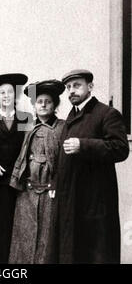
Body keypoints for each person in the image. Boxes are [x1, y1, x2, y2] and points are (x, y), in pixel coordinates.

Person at [56, 69, 129, 264]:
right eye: (69, 87)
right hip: (72, 201)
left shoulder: (107, 113)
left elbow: (121, 149)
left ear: (90, 87)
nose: (72, 91)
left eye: (77, 85)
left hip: (97, 203)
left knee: (98, 255)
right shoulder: (69, 120)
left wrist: (84, 145)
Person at [9, 80, 65, 264]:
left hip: (51, 194)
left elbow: (64, 162)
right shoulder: (27, 128)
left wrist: (57, 184)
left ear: (55, 105)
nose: (43, 105)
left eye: (47, 101)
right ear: (34, 104)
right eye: (39, 101)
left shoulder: (63, 128)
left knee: (46, 242)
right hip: (27, 194)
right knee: (24, 241)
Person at [0, 73, 32, 263]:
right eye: (2, 92)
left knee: (19, 226)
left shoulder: (25, 118)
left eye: (10, 92)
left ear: (15, 95)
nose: (6, 96)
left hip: (20, 181)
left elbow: (28, 146)